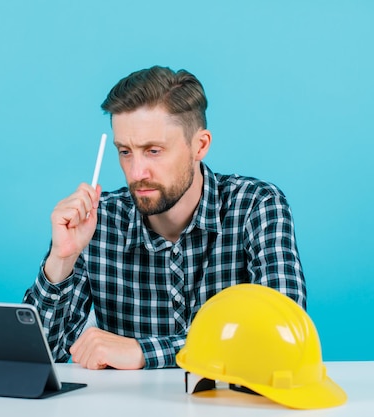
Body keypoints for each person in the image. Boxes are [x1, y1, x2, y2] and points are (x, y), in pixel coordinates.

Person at [23, 65, 306, 371]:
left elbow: (282, 333)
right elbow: (35, 358)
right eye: (125, 152)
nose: (136, 173)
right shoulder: (98, 221)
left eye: (153, 151)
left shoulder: (255, 205)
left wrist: (144, 352)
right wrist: (62, 260)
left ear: (200, 146)